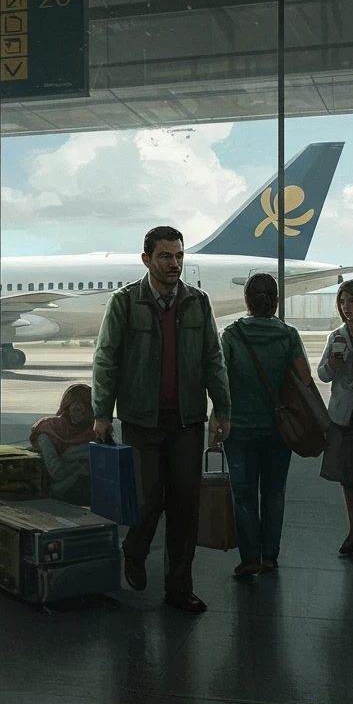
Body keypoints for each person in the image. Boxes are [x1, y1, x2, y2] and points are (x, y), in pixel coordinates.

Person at [92, 225, 231, 613]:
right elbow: (106, 359)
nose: (175, 264)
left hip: (186, 420)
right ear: (147, 259)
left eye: (179, 256)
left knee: (185, 506)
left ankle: (178, 587)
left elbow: (213, 359)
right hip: (141, 419)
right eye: (166, 256)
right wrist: (101, 413)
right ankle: (134, 552)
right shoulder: (124, 302)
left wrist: (222, 409)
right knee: (148, 499)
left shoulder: (197, 303)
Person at [220, 273, 313, 575]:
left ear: (245, 301)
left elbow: (220, 381)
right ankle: (270, 556)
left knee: (243, 495)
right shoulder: (289, 335)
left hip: (240, 429)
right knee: (273, 494)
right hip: (278, 429)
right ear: (276, 302)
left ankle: (249, 559)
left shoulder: (232, 335)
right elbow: (305, 379)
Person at [318, 278, 353, 556]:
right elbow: (322, 374)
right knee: (347, 476)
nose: (346, 307)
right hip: (341, 414)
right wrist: (331, 365)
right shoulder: (336, 335)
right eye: (342, 301)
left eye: (352, 300)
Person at [30, 383, 95, 507]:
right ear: (67, 408)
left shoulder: (91, 432)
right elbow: (57, 471)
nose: (80, 416)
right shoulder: (48, 430)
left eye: (86, 410)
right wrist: (81, 463)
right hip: (58, 496)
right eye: (76, 409)